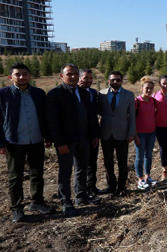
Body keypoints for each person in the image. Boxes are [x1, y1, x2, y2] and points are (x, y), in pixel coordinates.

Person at [0, 63, 55, 222]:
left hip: (36, 140)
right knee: (15, 177)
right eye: (17, 74)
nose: (22, 77)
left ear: (30, 76)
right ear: (11, 77)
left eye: (25, 74)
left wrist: (48, 137)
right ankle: (17, 208)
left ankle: (37, 202)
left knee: (37, 173)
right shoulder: (1, 94)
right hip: (14, 142)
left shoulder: (39, 93)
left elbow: (45, 117)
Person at [47, 64, 101, 216]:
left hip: (83, 138)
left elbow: (91, 117)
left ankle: (81, 196)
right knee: (65, 171)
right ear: (61, 76)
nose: (72, 76)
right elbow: (52, 121)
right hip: (66, 141)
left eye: (75, 74)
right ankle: (66, 202)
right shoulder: (55, 94)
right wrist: (59, 142)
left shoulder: (83, 93)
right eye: (69, 74)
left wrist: (94, 135)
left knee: (82, 168)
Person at [98, 70, 136, 196]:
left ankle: (121, 186)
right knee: (108, 161)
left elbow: (132, 116)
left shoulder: (129, 95)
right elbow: (99, 112)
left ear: (121, 81)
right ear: (109, 80)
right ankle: (111, 185)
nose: (115, 82)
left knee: (122, 162)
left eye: (118, 80)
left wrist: (132, 132)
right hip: (106, 133)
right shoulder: (102, 94)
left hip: (122, 133)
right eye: (113, 80)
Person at [78, 68, 107, 196]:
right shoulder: (75, 93)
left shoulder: (94, 93)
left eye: (90, 78)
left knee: (92, 162)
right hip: (79, 134)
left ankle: (92, 187)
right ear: (79, 78)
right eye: (85, 78)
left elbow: (95, 115)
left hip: (92, 133)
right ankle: (82, 190)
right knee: (81, 164)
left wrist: (96, 134)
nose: (89, 81)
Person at [134, 77, 157, 190]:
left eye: (151, 88)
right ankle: (140, 179)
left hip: (151, 132)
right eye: (147, 88)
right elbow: (132, 120)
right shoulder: (136, 102)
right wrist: (134, 135)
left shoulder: (153, 101)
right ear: (141, 88)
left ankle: (148, 176)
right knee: (139, 157)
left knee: (148, 155)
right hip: (140, 133)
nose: (149, 90)